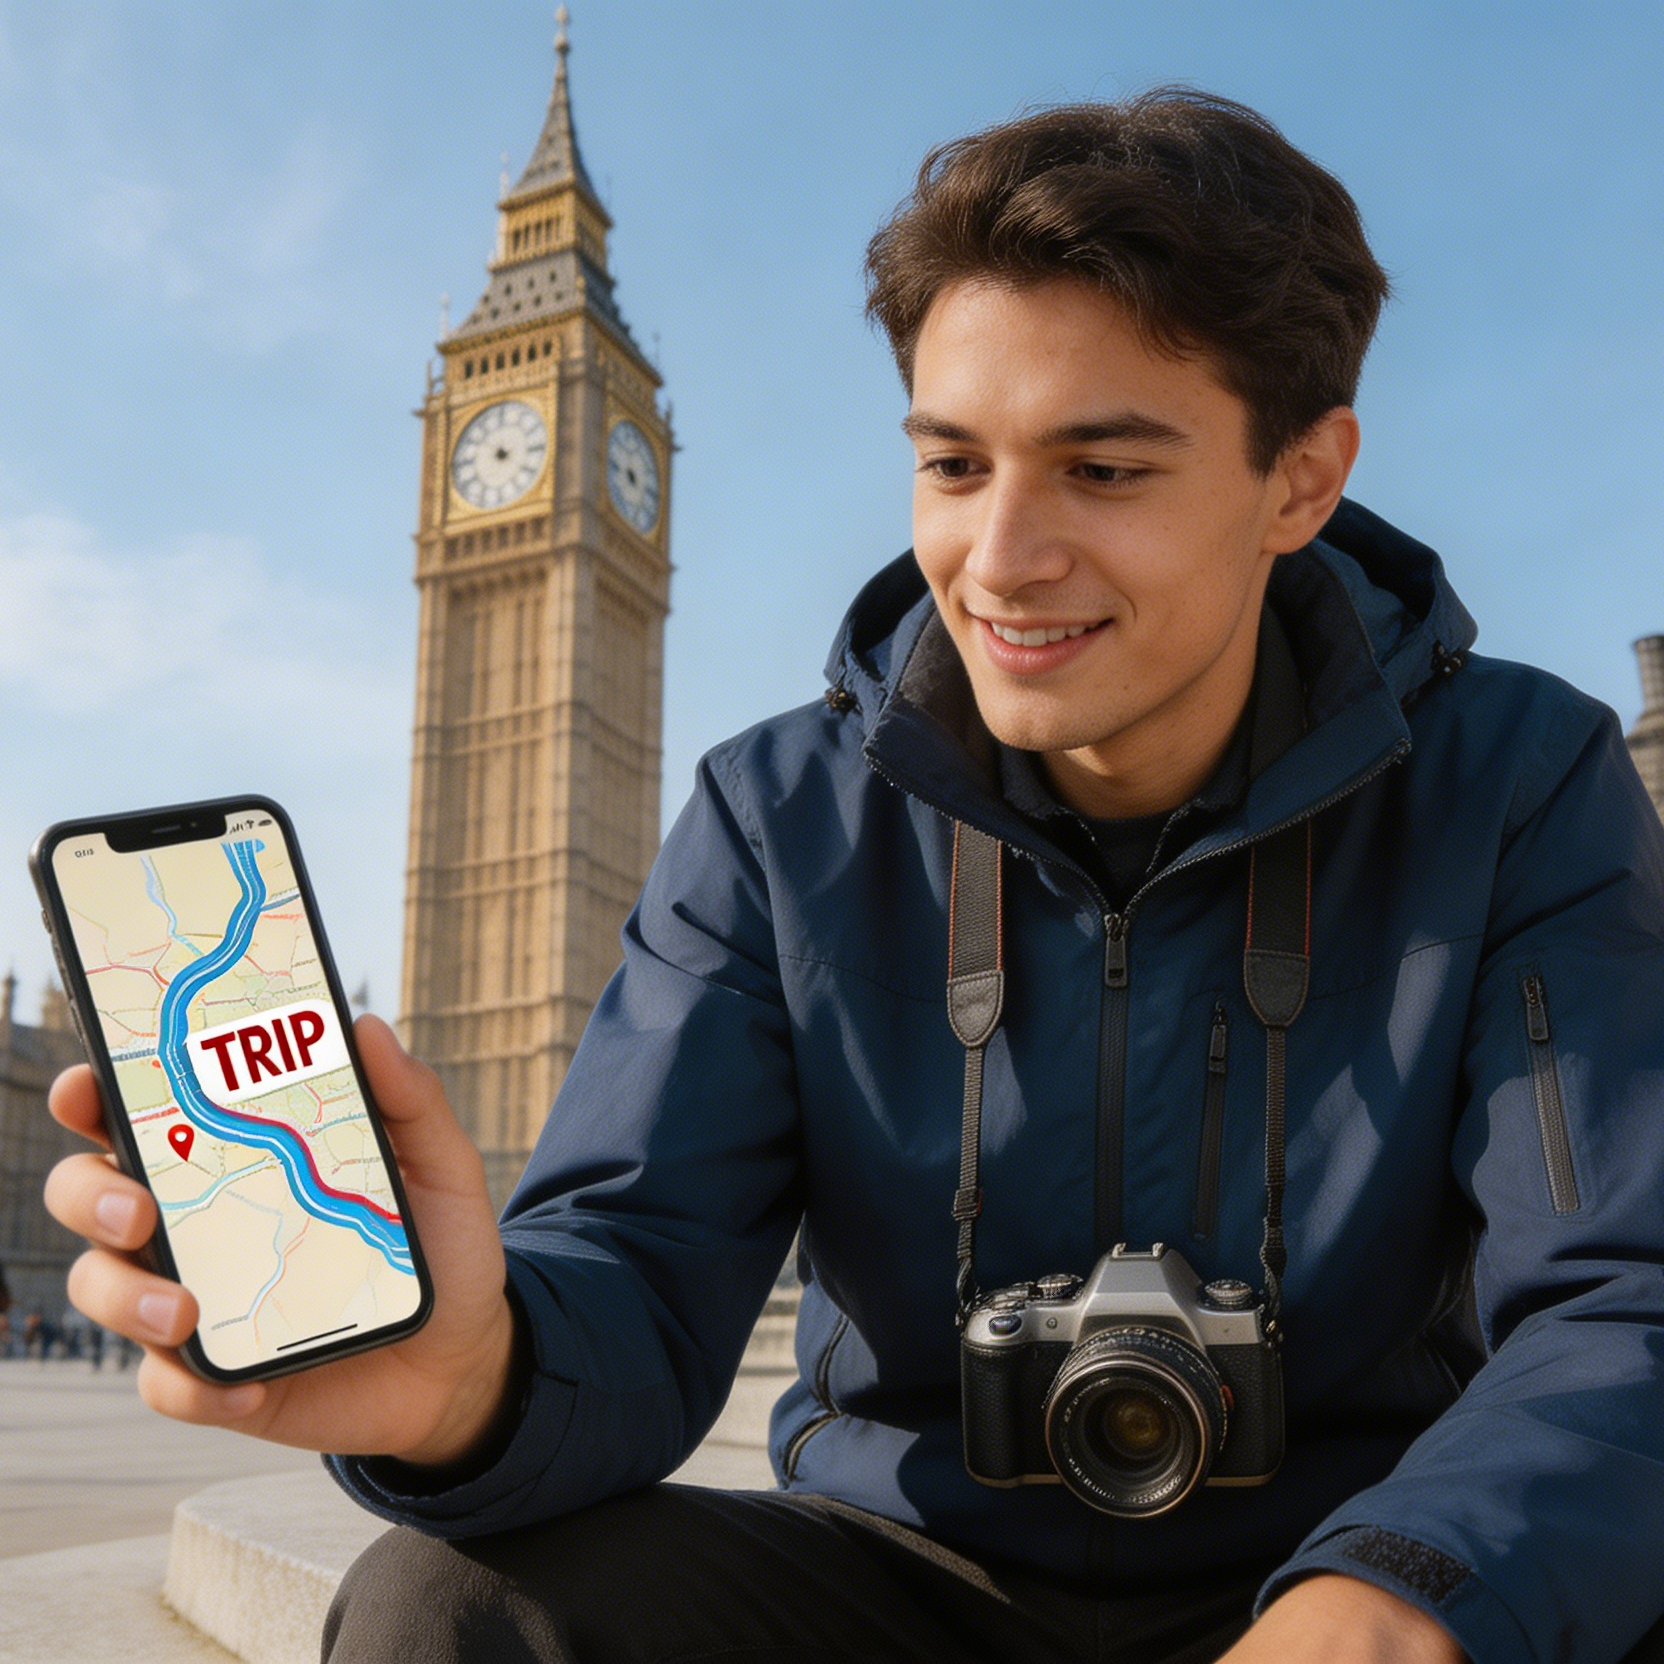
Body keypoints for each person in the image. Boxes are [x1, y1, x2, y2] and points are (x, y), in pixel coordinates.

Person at [44, 90, 1664, 1664]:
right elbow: (633, 1264)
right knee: (449, 1604)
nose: (1001, 559)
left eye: (1103, 471)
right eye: (955, 465)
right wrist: (474, 1373)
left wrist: (1412, 1590)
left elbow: (1627, 1301)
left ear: (1300, 480)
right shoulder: (780, 814)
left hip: (1354, 1559)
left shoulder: (1516, 780)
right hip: (910, 1578)